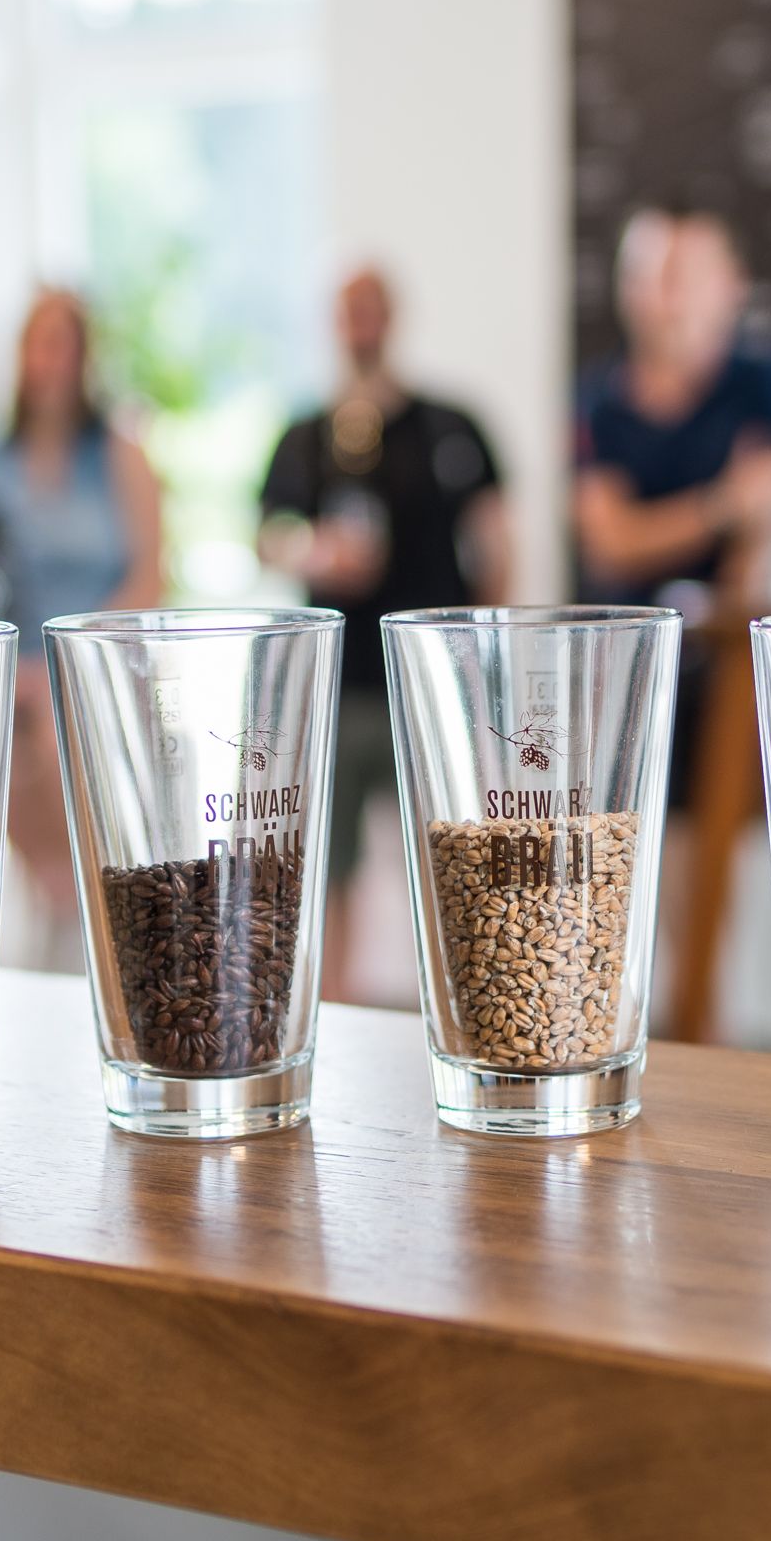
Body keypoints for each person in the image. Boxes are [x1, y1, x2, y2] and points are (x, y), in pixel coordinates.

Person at [259, 266, 507, 1003]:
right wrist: (314, 552)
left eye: (371, 308)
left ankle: (472, 1005)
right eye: (348, 310)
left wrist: (482, 660)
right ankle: (329, 1015)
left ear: (392, 317)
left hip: (435, 687)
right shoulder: (304, 435)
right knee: (326, 867)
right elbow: (268, 536)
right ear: (334, 323)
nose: (361, 323)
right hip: (338, 687)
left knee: (451, 856)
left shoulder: (451, 427)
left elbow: (496, 543)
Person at [0, 288, 164, 961]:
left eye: (62, 343)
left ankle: (70, 893)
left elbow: (149, 576)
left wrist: (69, 652)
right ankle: (54, 884)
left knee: (50, 711)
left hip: (96, 656)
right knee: (4, 717)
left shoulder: (118, 456)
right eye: (36, 343)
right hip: (18, 665)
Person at [574, 205, 771, 615]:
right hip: (628, 643)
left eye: (685, 277)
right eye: (647, 276)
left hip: (743, 644)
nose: (666, 299)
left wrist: (654, 529)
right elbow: (610, 547)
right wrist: (724, 505)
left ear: (734, 284)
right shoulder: (595, 399)